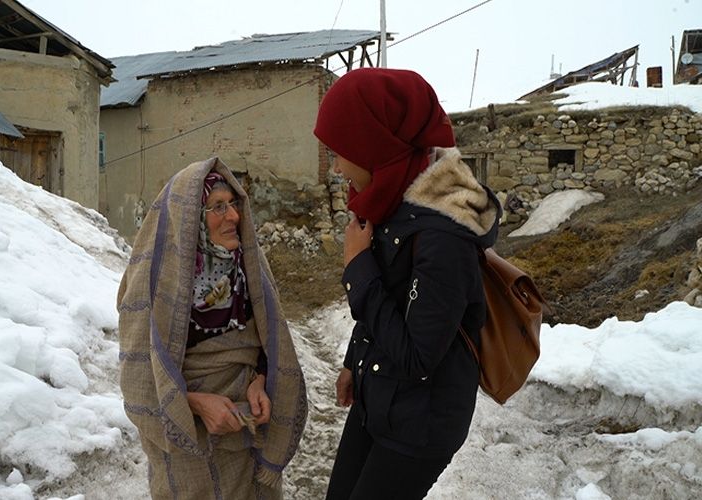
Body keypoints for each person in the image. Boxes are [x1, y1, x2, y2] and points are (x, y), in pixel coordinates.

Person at [314, 68, 501, 499]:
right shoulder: (393, 196)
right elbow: (394, 293)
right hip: (379, 394)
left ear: (373, 144)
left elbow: (419, 357)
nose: (336, 166)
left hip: (421, 423)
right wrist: (353, 361)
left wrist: (358, 266)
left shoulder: (441, 232)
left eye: (340, 151)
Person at [117, 158, 308, 499]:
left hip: (246, 438)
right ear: (190, 220)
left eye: (233, 204)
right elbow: (140, 377)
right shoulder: (156, 284)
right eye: (217, 207)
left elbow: (270, 341)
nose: (234, 216)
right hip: (186, 453)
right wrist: (194, 403)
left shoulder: (247, 269)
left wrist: (259, 380)